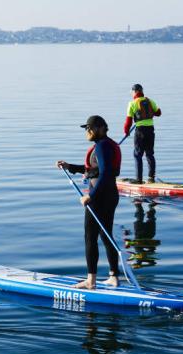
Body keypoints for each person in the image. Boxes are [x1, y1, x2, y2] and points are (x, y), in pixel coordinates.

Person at [56, 115, 121, 289]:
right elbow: (93, 170)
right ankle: (114, 276)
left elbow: (105, 173)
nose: (88, 131)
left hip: (99, 197)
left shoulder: (102, 146)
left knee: (90, 236)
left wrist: (91, 196)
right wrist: (70, 166)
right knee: (105, 235)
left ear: (100, 128)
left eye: (90, 128)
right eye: (87, 129)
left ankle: (90, 281)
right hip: (109, 195)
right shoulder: (106, 145)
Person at [123, 84, 161, 184]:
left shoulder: (132, 103)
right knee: (149, 154)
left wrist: (126, 132)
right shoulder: (150, 101)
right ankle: (151, 177)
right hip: (150, 130)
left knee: (137, 155)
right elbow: (158, 113)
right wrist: (151, 111)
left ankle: (138, 180)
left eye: (132, 92)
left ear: (134, 92)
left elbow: (128, 121)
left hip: (140, 131)